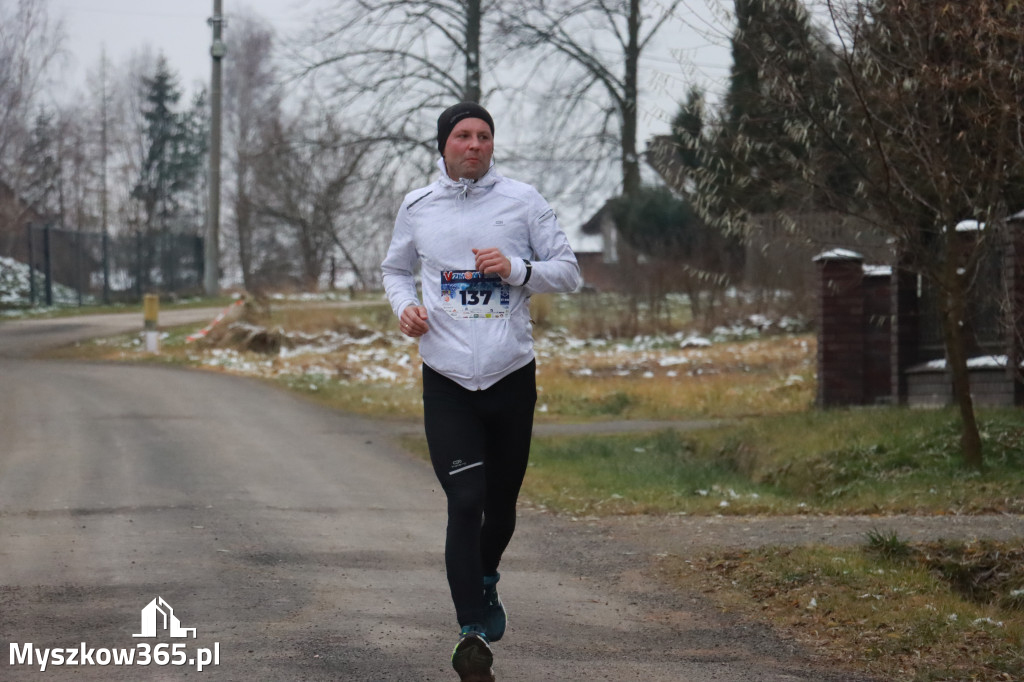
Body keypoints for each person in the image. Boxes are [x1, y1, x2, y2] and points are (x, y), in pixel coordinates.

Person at [381, 102, 580, 681]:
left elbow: (568, 271)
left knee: (502, 506)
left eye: (484, 136)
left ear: (493, 145)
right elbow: (395, 270)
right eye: (463, 136)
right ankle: (470, 629)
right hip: (447, 379)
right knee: (464, 501)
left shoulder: (523, 200)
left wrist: (517, 268)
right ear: (443, 145)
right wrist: (406, 309)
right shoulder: (418, 207)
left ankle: (485, 576)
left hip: (510, 375)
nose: (474, 145)